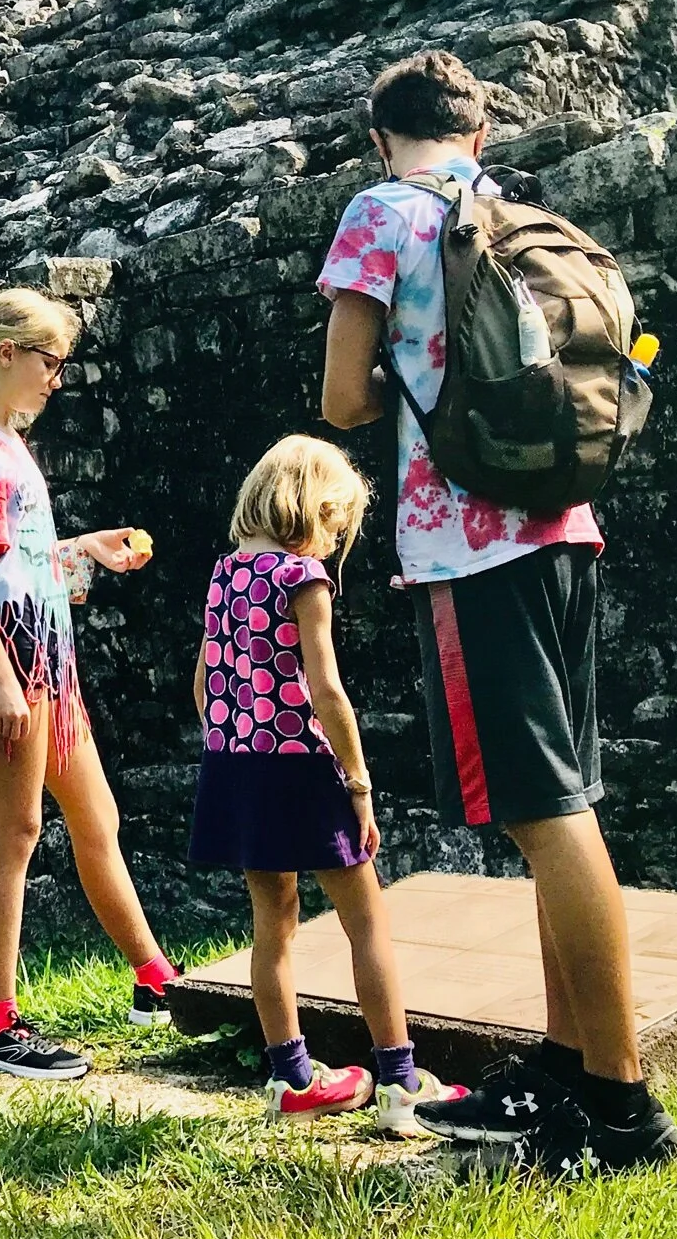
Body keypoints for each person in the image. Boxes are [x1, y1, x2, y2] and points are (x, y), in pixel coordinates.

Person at [318, 50, 677, 1174]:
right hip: (564, 527)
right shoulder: (513, 213)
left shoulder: (380, 213)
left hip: (470, 548)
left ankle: (624, 1108)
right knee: (562, 803)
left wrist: (398, 376)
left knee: (544, 816)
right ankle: (570, 1065)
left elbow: (339, 399)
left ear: (382, 137)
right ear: (478, 133)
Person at [0, 286, 179, 1081]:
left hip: (44, 654)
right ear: (7, 351)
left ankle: (154, 979)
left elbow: (17, 556)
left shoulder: (5, 437)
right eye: (50, 360)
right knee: (18, 830)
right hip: (7, 656)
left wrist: (86, 549)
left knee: (95, 813)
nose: (56, 378)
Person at [190, 434, 472, 1134]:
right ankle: (402, 1082)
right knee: (367, 922)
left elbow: (203, 684)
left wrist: (238, 738)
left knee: (272, 926)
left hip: (239, 766)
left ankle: (292, 1077)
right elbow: (328, 691)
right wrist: (359, 780)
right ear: (312, 506)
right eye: (336, 524)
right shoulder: (301, 578)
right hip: (304, 770)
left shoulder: (226, 573)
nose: (333, 541)